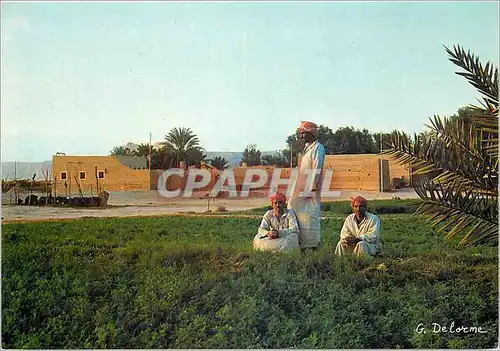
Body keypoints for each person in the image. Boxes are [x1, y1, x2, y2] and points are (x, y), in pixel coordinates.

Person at [287, 121, 326, 252]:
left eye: (303, 133)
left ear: (311, 133)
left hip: (310, 188)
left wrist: (313, 187)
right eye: (300, 133)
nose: (301, 136)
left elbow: (317, 167)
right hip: (300, 187)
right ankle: (297, 242)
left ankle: (312, 245)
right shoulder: (307, 148)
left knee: (310, 216)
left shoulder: (318, 148)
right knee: (293, 211)